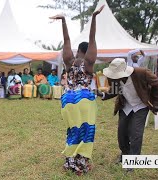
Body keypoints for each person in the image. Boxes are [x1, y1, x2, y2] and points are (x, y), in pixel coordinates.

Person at [49, 5, 104, 175]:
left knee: (73, 130)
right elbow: (92, 38)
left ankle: (70, 162)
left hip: (68, 99)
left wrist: (64, 21)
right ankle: (81, 164)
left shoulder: (68, 61)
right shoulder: (88, 63)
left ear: (78, 50)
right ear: (87, 52)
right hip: (85, 99)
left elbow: (66, 41)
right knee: (87, 130)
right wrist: (94, 18)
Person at [100, 58, 158, 171]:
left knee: (136, 133)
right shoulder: (114, 78)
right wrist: (102, 95)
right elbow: (114, 91)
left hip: (141, 106)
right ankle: (125, 154)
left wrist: (155, 104)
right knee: (121, 133)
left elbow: (157, 83)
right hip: (126, 106)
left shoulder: (141, 73)